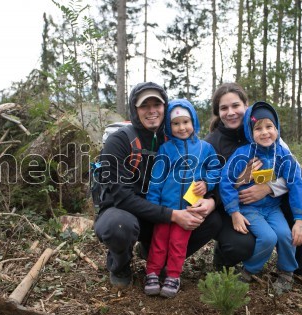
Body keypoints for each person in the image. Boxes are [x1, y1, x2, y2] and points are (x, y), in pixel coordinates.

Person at [94, 82, 221, 287]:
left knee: (213, 220)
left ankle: (158, 257)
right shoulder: (118, 142)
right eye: (145, 106)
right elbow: (122, 197)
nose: (152, 111)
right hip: (126, 211)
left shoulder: (175, 136)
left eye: (157, 104)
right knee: (119, 227)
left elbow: (206, 171)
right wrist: (173, 216)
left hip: (162, 213)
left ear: (165, 108)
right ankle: (120, 265)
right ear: (135, 110)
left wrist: (210, 199)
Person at [204, 82, 302, 288]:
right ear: (217, 112)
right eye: (224, 108)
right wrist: (239, 183)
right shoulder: (212, 143)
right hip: (233, 206)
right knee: (245, 243)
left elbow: (296, 174)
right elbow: (214, 182)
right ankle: (227, 257)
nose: (231, 112)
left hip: (269, 202)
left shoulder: (268, 134)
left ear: (246, 106)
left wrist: (269, 188)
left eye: (236, 106)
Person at [220, 101, 302, 292]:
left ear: (277, 128)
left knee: (285, 235)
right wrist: (234, 211)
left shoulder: (283, 155)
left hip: (272, 208)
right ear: (250, 132)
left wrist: (300, 220)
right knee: (268, 238)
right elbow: (226, 182)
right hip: (249, 208)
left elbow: (298, 184)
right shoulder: (242, 154)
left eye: (269, 126)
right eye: (258, 128)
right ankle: (249, 270)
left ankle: (286, 272)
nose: (265, 132)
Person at [145, 99, 221, 298]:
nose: (181, 127)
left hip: (189, 209)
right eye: (176, 123)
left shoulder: (205, 149)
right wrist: (154, 206)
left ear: (193, 122)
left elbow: (215, 169)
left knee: (178, 243)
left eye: (185, 122)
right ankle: (152, 272)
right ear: (169, 126)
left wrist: (206, 182)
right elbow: (156, 178)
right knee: (159, 241)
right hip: (166, 208)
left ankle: (173, 275)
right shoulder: (166, 149)